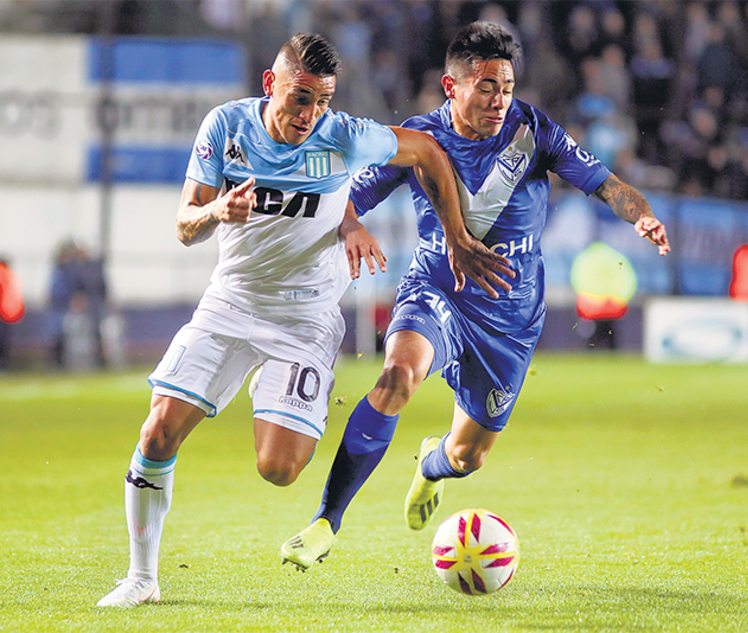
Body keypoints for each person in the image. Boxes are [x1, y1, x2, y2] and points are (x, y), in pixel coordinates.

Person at [97, 32, 505, 608]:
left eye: (323, 100)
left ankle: (276, 383)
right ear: (272, 85)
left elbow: (428, 151)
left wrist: (454, 235)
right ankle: (142, 578)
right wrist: (217, 210)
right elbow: (186, 225)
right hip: (230, 302)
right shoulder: (225, 127)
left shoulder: (344, 136)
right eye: (301, 98)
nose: (310, 114)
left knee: (280, 469)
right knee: (157, 431)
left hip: (305, 318)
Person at [278, 21, 670, 571]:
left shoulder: (534, 131)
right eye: (486, 87)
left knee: (468, 457)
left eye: (506, 87)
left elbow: (605, 184)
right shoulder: (418, 139)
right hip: (437, 291)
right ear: (451, 86)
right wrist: (351, 226)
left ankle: (431, 465)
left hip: (511, 319)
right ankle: (325, 523)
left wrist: (641, 214)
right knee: (397, 378)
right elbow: (346, 197)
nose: (499, 100)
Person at [0, 256, 25, 370]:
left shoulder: (3, 273)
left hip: (3, 312)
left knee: (3, 340)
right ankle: (4, 364)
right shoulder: (10, 274)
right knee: (5, 341)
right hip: (9, 312)